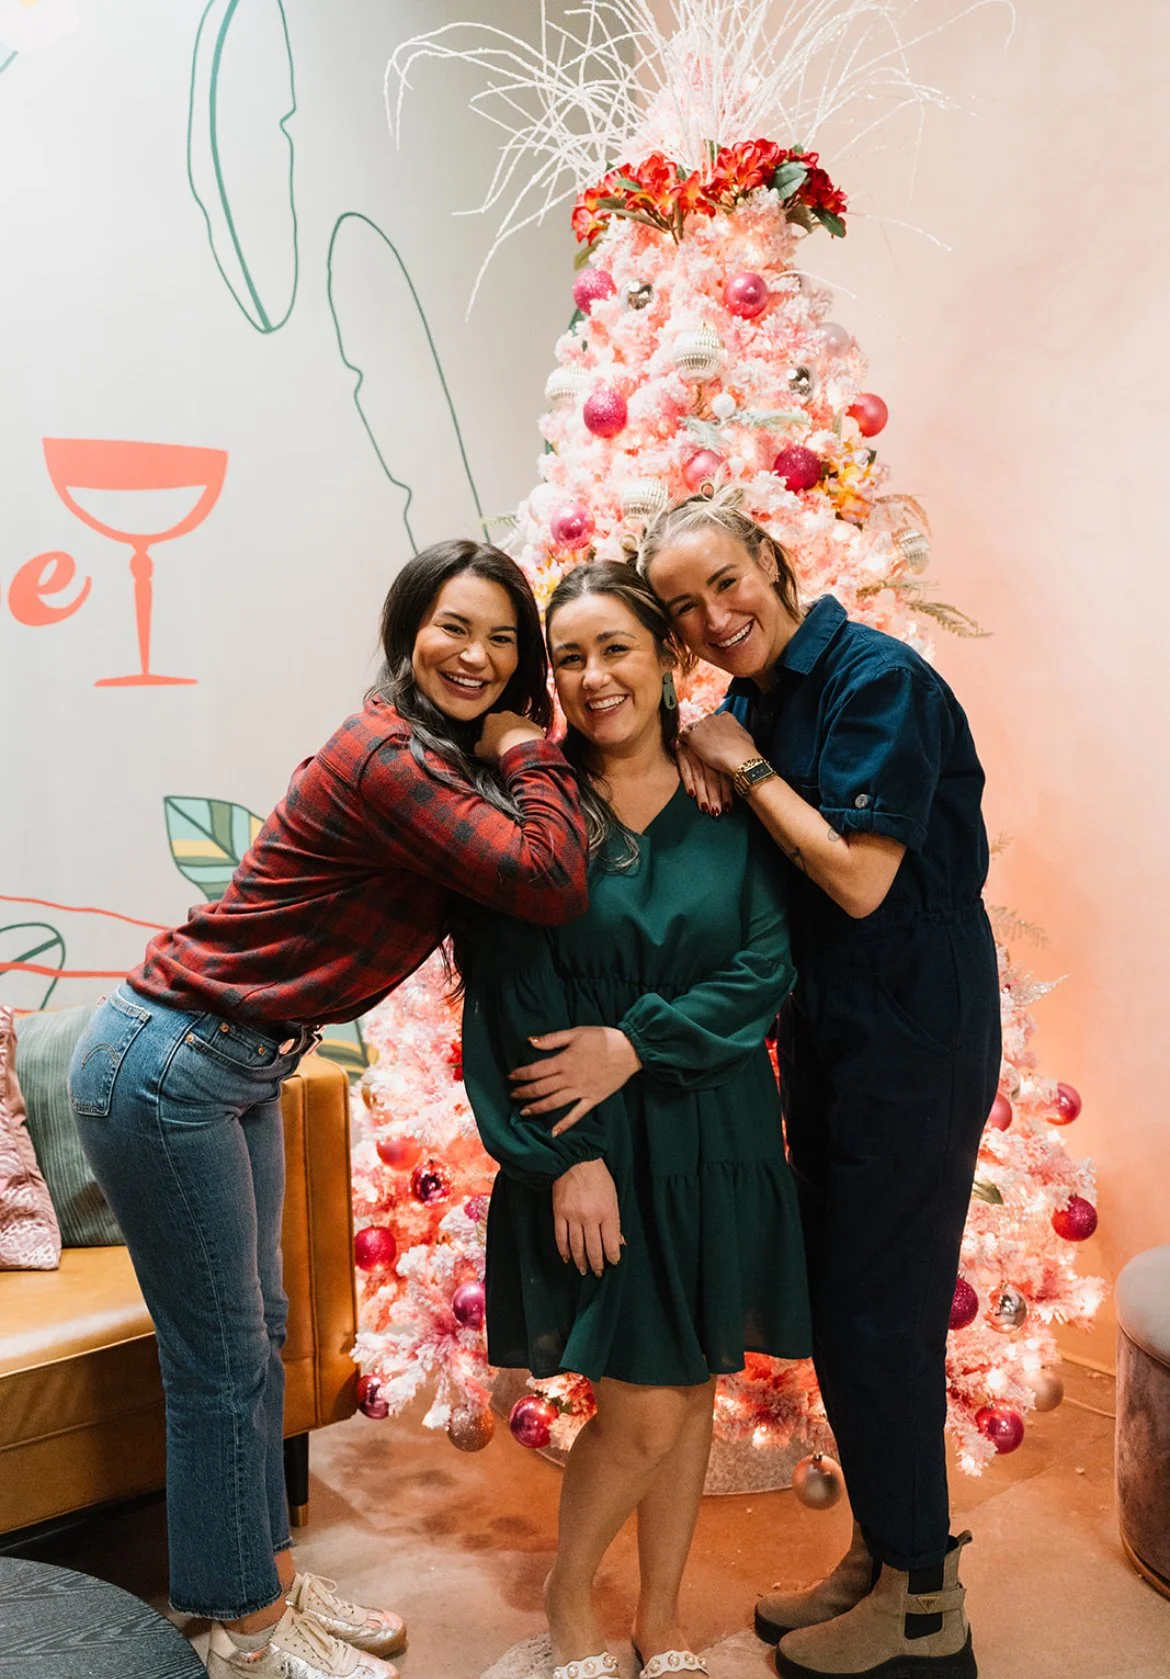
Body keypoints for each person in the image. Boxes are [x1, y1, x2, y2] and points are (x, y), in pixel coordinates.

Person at [67, 540, 589, 1679]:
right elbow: (548, 875)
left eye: (506, 639)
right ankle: (241, 1629)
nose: (479, 654)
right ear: (410, 630)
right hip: (171, 1065)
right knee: (219, 1360)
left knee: (257, 1338)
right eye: (458, 626)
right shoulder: (392, 756)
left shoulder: (431, 760)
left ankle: (272, 1585)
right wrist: (528, 744)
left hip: (230, 1063)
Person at [638, 491, 1000, 1679]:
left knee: (881, 1311)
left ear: (773, 562)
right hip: (831, 1024)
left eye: (724, 583)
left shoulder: (874, 679)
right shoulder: (758, 699)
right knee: (848, 1307)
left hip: (914, 1017)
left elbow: (856, 880)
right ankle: (888, 1554)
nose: (712, 615)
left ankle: (926, 1608)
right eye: (685, 608)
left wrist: (738, 765)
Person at [459, 561, 811, 1679]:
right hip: (599, 1150)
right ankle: (570, 1596)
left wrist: (637, 1040)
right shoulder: (537, 804)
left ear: (669, 658)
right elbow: (513, 997)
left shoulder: (730, 799)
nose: (594, 674)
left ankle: (660, 1617)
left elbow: (765, 964)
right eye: (569, 654)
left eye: (617, 647)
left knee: (691, 1381)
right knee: (646, 1409)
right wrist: (568, 1158)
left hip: (717, 1132)